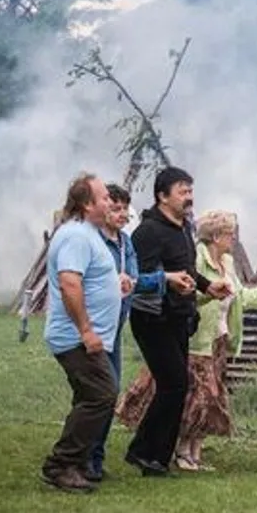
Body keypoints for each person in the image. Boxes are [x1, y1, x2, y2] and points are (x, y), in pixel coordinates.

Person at [120, 210, 257, 469]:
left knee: (209, 401)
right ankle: (178, 449)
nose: (234, 237)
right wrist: (210, 295)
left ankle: (193, 450)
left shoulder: (227, 263)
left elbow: (240, 299)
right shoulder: (198, 260)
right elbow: (189, 296)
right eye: (229, 233)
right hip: (196, 340)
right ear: (215, 235)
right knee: (195, 399)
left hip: (219, 340)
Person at [125, 167, 228, 476]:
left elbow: (185, 268)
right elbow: (135, 278)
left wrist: (206, 286)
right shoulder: (148, 232)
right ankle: (145, 452)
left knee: (175, 386)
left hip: (180, 318)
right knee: (174, 384)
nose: (189, 198)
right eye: (182, 192)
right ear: (162, 196)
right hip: (152, 317)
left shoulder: (184, 228)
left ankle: (155, 457)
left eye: (190, 191)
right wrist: (168, 281)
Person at [84, 184, 183, 482]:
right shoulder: (90, 242)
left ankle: (95, 460)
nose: (121, 214)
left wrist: (164, 279)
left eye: (125, 209)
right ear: (101, 209)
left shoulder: (126, 243)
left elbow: (136, 280)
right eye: (114, 208)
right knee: (97, 394)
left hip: (114, 328)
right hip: (92, 326)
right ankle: (81, 458)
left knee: (108, 393)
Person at [38, 173, 122, 493]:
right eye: (103, 198)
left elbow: (85, 279)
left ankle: (76, 464)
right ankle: (60, 464)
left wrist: (117, 285)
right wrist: (86, 329)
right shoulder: (76, 236)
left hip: (84, 335)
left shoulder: (87, 234)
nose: (110, 202)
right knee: (102, 393)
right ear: (87, 204)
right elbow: (69, 283)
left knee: (90, 396)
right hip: (76, 338)